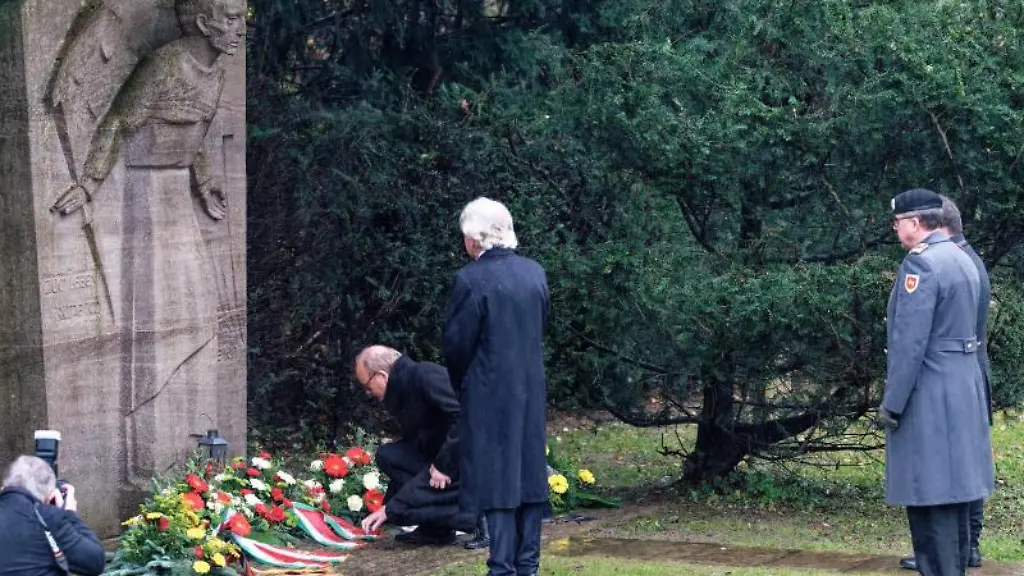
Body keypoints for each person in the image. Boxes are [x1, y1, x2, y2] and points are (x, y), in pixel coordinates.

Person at [50, 0, 246, 486]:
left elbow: (198, 136)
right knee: (159, 318)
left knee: (197, 313)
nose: (240, 29)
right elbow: (118, 122)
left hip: (178, 193)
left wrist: (205, 182)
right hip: (146, 198)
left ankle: (192, 451)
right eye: (231, 19)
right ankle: (149, 457)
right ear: (204, 22)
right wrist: (90, 183)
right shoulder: (167, 64)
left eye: (242, 19)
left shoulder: (214, 69)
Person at [881, 188, 994, 576]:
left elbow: (909, 343)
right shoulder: (963, 260)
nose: (896, 230)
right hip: (962, 387)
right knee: (955, 501)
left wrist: (892, 403)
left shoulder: (922, 265)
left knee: (930, 502)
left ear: (916, 222)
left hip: (929, 392)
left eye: (898, 223)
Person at [444, 197, 550, 576]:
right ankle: (528, 565)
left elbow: (456, 346)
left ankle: (502, 567)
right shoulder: (535, 272)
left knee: (498, 477)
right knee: (529, 474)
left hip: (488, 389)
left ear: (474, 238)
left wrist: (465, 385)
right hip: (530, 388)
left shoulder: (470, 280)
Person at [355, 346, 476, 545]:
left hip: (469, 458)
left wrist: (444, 464)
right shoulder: (404, 390)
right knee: (388, 455)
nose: (369, 393)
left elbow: (467, 417)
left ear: (382, 376)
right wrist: (390, 507)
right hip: (442, 458)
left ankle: (472, 516)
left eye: (368, 386)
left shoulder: (425, 376)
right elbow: (417, 445)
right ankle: (435, 529)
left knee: (402, 510)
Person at [0, 455, 106, 576]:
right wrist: (70, 515)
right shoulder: (48, 517)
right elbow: (95, 562)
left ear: (4, 487)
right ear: (50, 497)